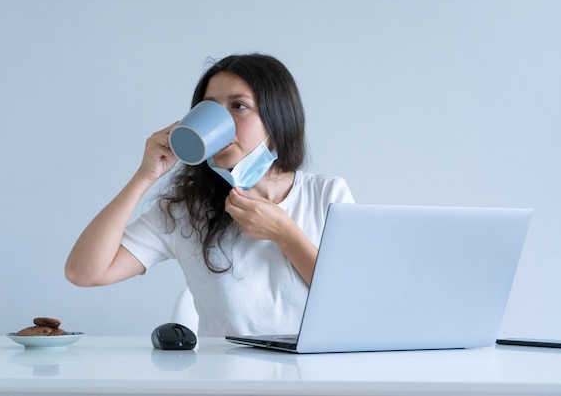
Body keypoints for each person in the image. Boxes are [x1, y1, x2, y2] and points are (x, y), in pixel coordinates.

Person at [65, 53, 354, 337]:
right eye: (210, 108)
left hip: (314, 379)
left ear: (277, 118)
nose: (223, 121)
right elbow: (84, 272)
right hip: (225, 380)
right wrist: (145, 176)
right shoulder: (187, 210)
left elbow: (353, 301)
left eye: (239, 106)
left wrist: (286, 234)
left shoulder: (327, 194)